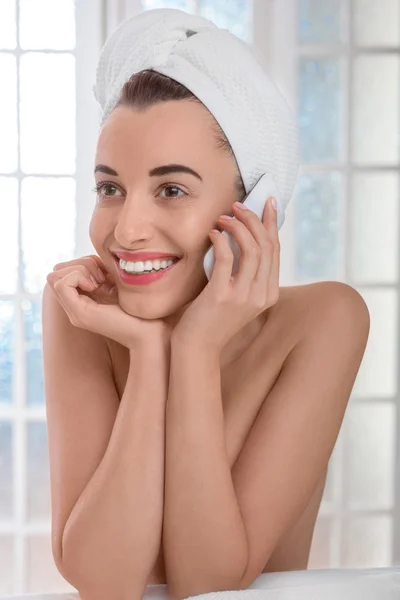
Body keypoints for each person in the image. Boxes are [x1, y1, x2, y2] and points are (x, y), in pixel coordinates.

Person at [41, 8, 370, 600]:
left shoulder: (324, 321)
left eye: (172, 189)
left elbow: (210, 580)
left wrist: (193, 347)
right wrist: (147, 349)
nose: (127, 231)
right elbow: (102, 579)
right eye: (110, 188)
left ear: (253, 207)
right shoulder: (84, 309)